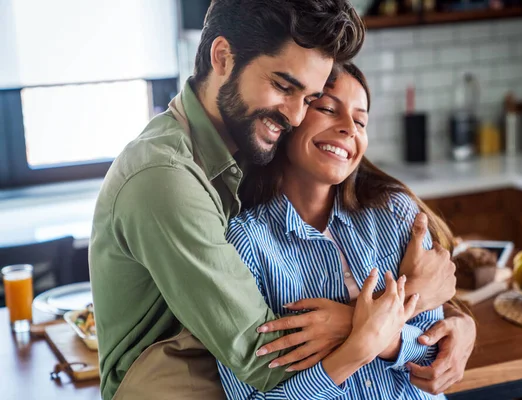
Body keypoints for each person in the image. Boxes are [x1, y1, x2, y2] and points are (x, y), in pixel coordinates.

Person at [89, 1, 473, 399]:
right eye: (284, 86)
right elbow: (263, 360)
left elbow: (427, 331)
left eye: (308, 99)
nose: (293, 115)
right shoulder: (166, 179)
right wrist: (393, 308)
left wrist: (457, 323)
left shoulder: (244, 148)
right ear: (222, 57)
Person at [217, 63, 456, 399]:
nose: (349, 129)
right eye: (328, 109)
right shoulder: (246, 244)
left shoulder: (397, 214)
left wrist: (366, 329)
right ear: (289, 117)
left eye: (360, 121)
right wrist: (358, 347)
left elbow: (437, 354)